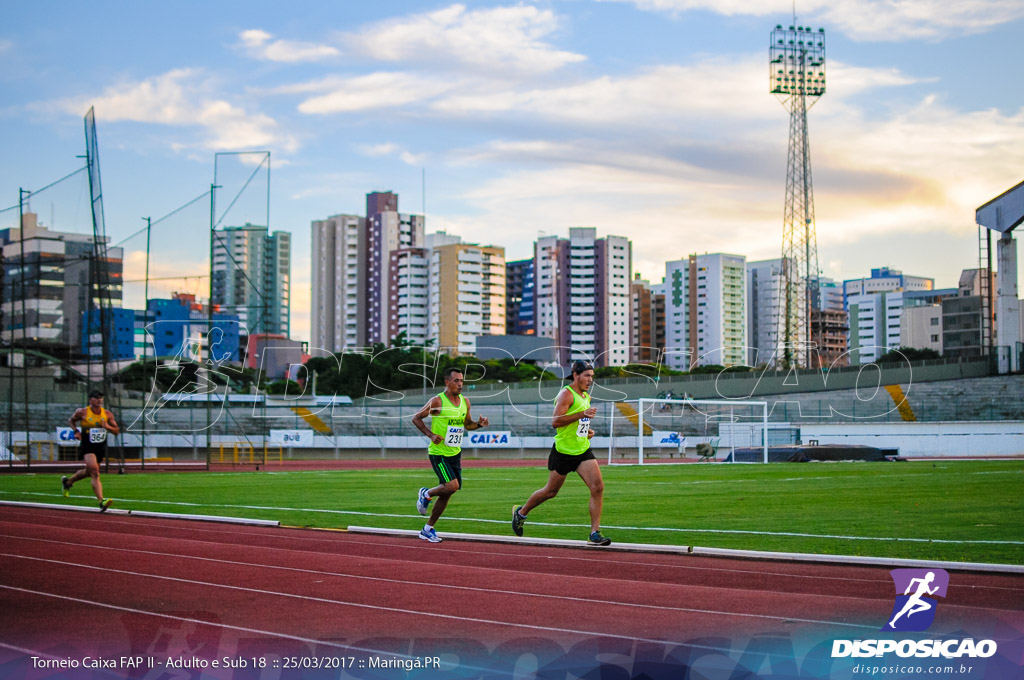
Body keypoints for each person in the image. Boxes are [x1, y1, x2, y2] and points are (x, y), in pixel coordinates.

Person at [512, 360, 611, 546]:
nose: (590, 380)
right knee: (550, 492)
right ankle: (521, 513)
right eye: (587, 376)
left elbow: (577, 422)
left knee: (598, 487)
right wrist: (583, 415)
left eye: (592, 377)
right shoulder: (566, 394)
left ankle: (594, 533)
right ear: (576, 375)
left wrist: (586, 431)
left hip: (582, 450)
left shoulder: (585, 396)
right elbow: (556, 422)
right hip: (564, 452)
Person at [411, 367, 489, 543]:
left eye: (462, 381)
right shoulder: (438, 401)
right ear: (447, 382)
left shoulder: (465, 402)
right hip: (438, 454)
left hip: (455, 453)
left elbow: (467, 424)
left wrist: (479, 425)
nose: (460, 384)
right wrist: (431, 435)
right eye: (456, 381)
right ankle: (426, 494)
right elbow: (416, 418)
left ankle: (427, 529)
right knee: (452, 486)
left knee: (447, 493)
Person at [62, 389, 119, 511]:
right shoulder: (82, 412)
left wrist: (107, 426)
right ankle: (101, 501)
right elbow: (70, 420)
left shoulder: (107, 414)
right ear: (90, 400)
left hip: (100, 446)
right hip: (87, 445)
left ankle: (68, 482)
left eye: (101, 398)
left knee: (89, 471)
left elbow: (116, 431)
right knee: (95, 472)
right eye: (96, 398)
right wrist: (76, 431)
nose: (99, 400)